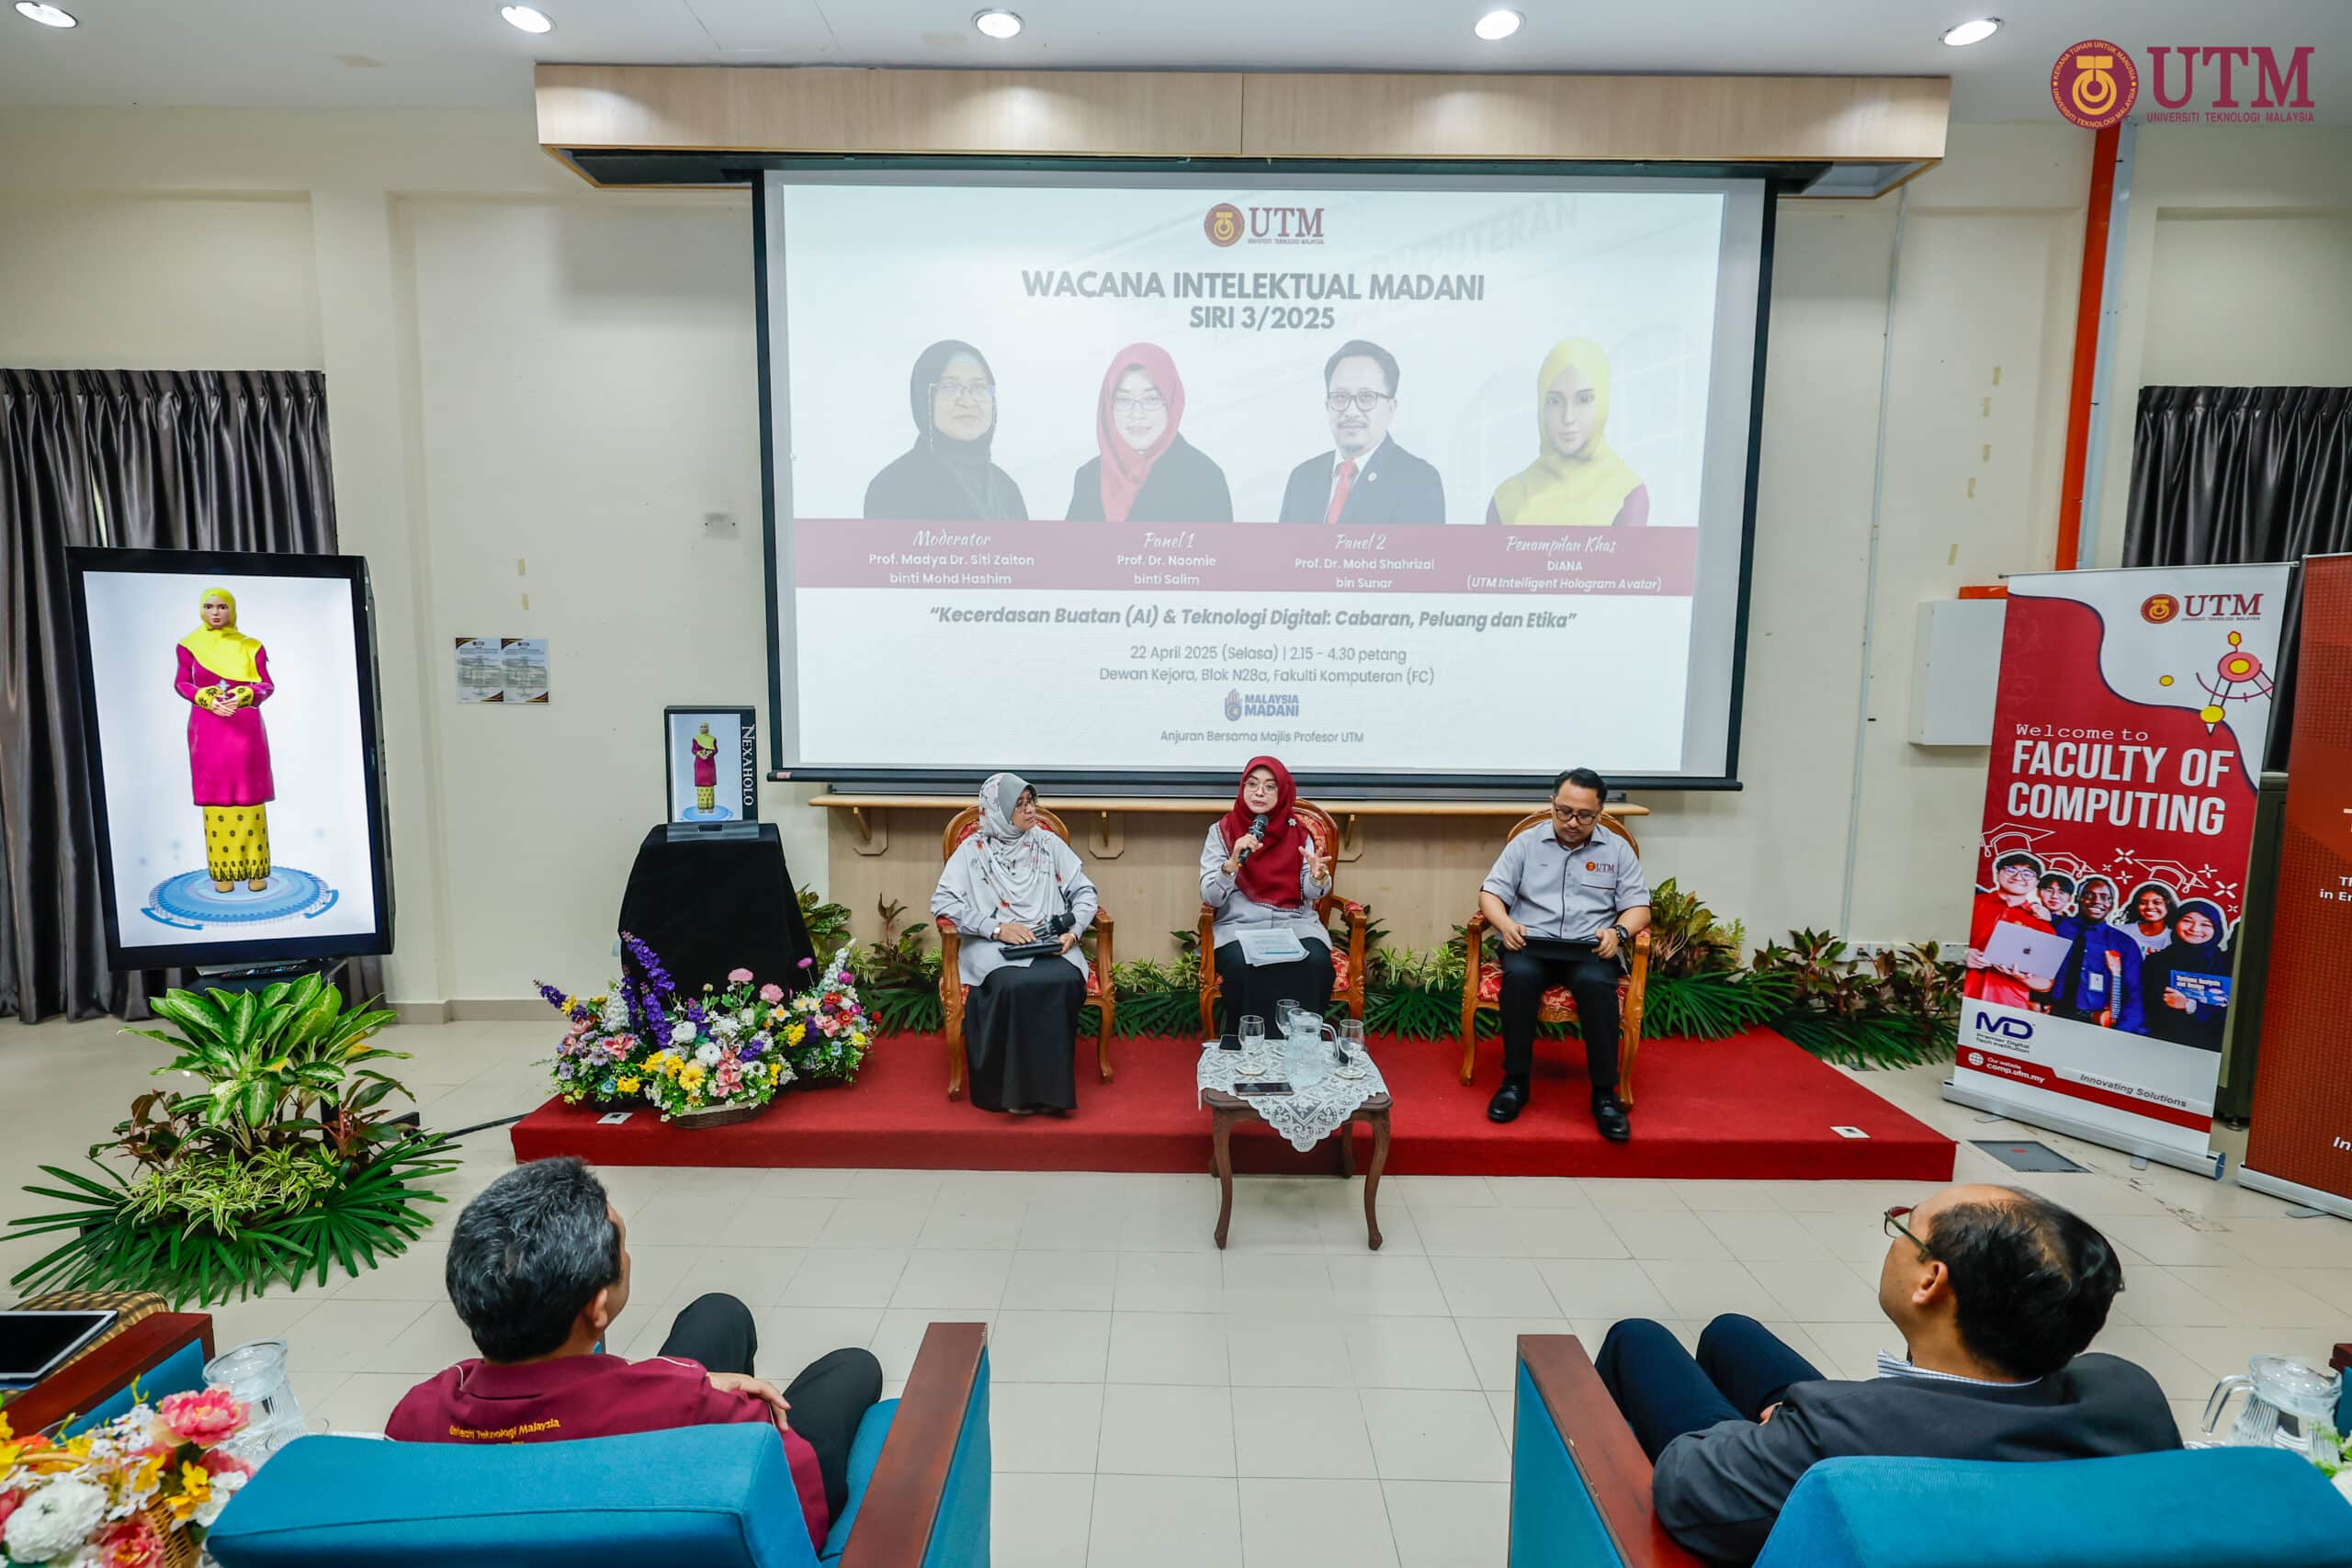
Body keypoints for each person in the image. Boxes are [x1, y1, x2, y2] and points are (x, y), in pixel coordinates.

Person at [1596, 1183, 2177, 1565]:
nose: (1895, 1236)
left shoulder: (1833, 1440)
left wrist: (1767, 1436)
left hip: (1777, 1493)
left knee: (1637, 1341)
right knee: (1732, 1333)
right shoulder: (2126, 1394)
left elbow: (1682, 1481)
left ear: (1931, 1282)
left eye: (1906, 1227)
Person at [387, 1159, 883, 1558]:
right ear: (597, 1308)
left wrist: (685, 1379)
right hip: (710, 1510)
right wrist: (693, 1387)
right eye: (621, 1247)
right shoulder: (692, 1407)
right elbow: (791, 1507)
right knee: (854, 1369)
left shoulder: (416, 1416)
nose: (626, 1257)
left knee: (720, 1314)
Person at [1479, 767, 1652, 1141]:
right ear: (1552, 804)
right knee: (1520, 978)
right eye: (1565, 812)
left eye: (1584, 815)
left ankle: (1605, 1095)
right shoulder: (1525, 843)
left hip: (1590, 948)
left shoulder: (1617, 850)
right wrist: (1505, 925)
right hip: (1532, 944)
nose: (1573, 822)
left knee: (1595, 984)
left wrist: (1619, 932)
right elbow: (1490, 893)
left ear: (1600, 813)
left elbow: (1639, 906)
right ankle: (1515, 1082)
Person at [931, 772, 1100, 1113]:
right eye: (1019, 804)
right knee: (1012, 985)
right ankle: (1013, 1094)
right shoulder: (973, 851)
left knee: (1064, 980)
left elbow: (1085, 893)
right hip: (993, 946)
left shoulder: (1049, 844)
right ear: (998, 811)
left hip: (1050, 941)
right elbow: (944, 904)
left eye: (1031, 801)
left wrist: (1075, 930)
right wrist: (996, 928)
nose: (1030, 810)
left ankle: (1052, 1095)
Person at [1200, 757, 1336, 1034]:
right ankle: (1246, 1042)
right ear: (1242, 788)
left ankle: (1303, 1042)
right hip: (1239, 927)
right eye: (1252, 784)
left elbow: (1311, 890)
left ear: (1282, 792)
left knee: (1317, 962)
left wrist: (1318, 876)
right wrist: (1231, 864)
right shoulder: (1221, 832)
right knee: (1240, 965)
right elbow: (1211, 897)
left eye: (1270, 786)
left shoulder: (1299, 833)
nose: (1259, 792)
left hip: (1295, 924)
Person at [1275, 340, 1445, 525]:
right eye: (1340, 397)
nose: (1351, 411)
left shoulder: (1418, 480)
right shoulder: (1302, 479)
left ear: (1391, 407)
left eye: (1366, 397)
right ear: (1327, 406)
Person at [1486, 337, 1648, 527]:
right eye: (1554, 401)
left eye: (1584, 399)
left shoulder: (1626, 493)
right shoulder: (1506, 499)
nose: (1568, 417)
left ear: (1603, 403)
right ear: (1542, 407)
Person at [175, 587, 276, 893]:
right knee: (216, 796)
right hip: (208, 731)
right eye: (209, 606)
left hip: (244, 731)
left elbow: (266, 685)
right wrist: (205, 698)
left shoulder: (251, 646)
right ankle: (223, 874)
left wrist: (243, 694)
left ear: (232, 609)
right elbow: (182, 683)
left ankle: (256, 871)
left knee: (249, 795)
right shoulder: (189, 646)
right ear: (201, 610)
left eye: (222, 607)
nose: (215, 612)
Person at [863, 339, 1028, 521]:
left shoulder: (1006, 490)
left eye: (979, 387)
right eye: (950, 387)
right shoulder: (894, 487)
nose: (967, 401)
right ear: (925, 399)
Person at [1065, 343, 1232, 523]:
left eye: (1151, 399)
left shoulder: (1204, 478)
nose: (1137, 414)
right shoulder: (1089, 477)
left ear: (1171, 402)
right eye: (1123, 399)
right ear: (1108, 406)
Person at [2050, 875, 2144, 1033]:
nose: (2096, 901)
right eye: (2089, 895)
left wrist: (2123, 1031)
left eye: (2104, 897)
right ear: (2078, 899)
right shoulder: (2056, 926)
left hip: (2097, 1022)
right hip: (2051, 1013)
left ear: (2111, 904)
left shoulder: (2124, 943)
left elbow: (2135, 993)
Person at [1962, 852, 2057, 1009]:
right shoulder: (1972, 904)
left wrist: (2023, 977)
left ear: (2036, 882)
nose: (2018, 877)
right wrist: (1962, 955)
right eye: (2011, 870)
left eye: (2028, 873)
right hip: (1956, 996)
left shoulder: (2042, 925)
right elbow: (1934, 945)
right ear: (1997, 874)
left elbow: (2046, 983)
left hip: (2008, 1005)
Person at [2141, 897, 2232, 1050]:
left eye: (2206, 924)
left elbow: (2232, 1016)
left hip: (2211, 1050)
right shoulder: (2156, 961)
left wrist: (2190, 1005)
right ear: (2176, 923)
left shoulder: (2228, 964)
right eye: (2187, 921)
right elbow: (2144, 1005)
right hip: (2160, 1045)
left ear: (2216, 929)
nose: (2195, 929)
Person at [2123, 882, 2178, 956]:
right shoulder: (2121, 931)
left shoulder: (2176, 937)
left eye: (2157, 902)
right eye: (2143, 903)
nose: (2149, 907)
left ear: (2168, 905)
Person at [691, 721, 719, 815]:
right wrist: (699, 754)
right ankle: (701, 807)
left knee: (709, 784)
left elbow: (715, 750)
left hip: (709, 764)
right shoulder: (696, 739)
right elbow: (693, 749)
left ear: (708, 728)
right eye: (701, 727)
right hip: (700, 764)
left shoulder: (712, 739)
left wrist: (709, 753)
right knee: (701, 784)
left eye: (705, 727)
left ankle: (710, 806)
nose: (703, 728)